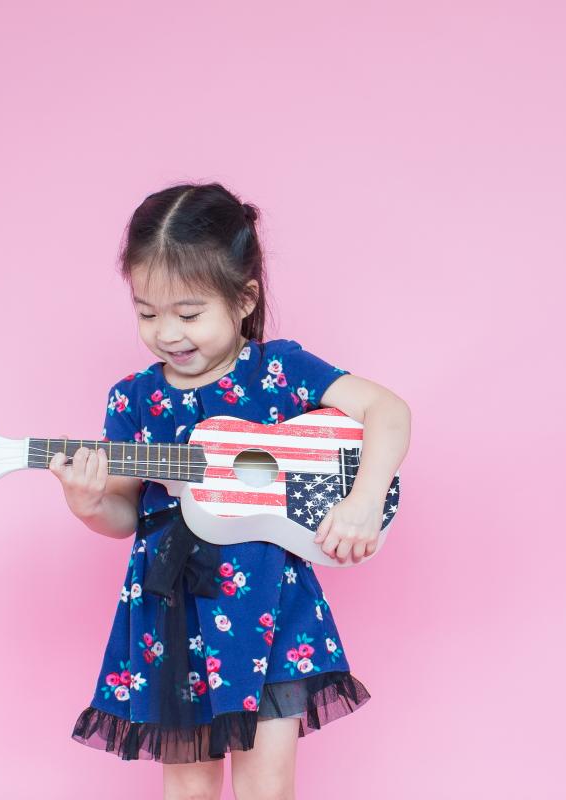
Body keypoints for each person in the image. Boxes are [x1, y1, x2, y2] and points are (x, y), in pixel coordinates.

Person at [50, 182, 411, 799]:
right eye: (146, 312)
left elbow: (388, 410)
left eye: (188, 314)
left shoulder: (278, 371)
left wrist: (362, 502)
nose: (167, 332)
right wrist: (87, 502)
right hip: (173, 610)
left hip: (271, 607)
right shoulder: (133, 400)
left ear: (243, 299)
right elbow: (122, 512)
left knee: (265, 788)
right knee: (188, 791)